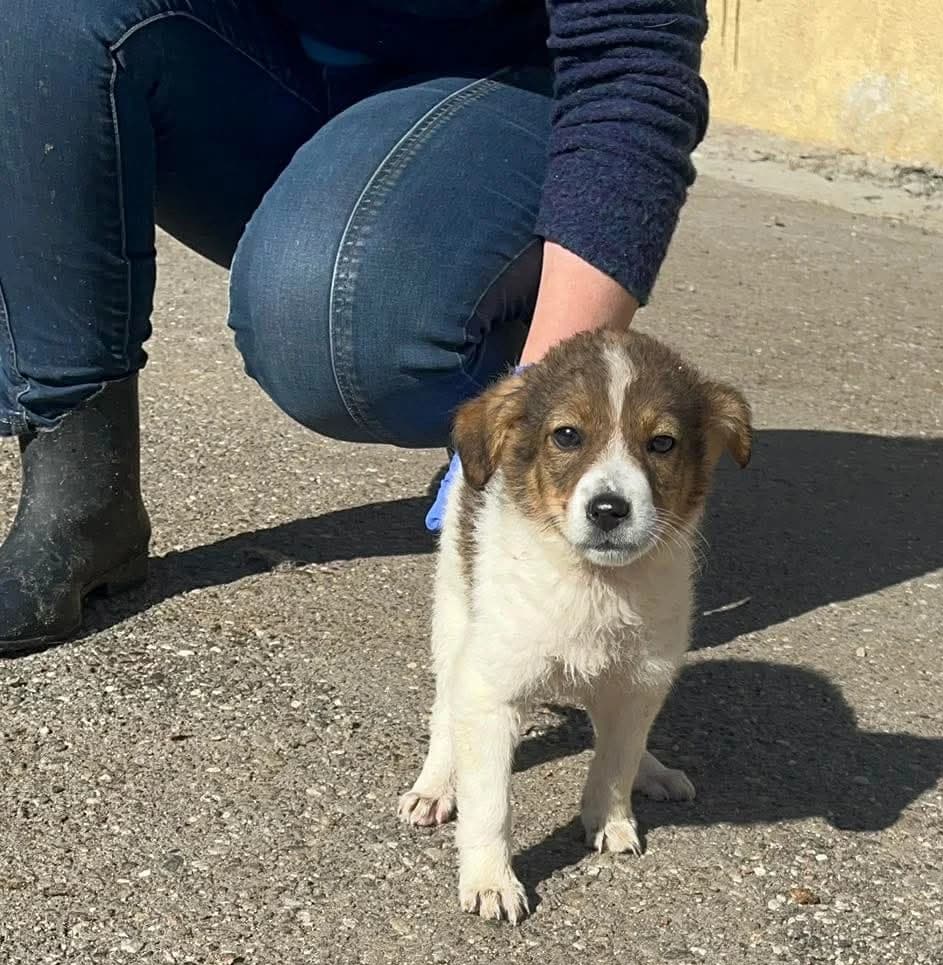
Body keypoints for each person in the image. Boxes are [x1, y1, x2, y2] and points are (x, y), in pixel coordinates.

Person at [0, 0, 708, 654]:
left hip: (519, 83)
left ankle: (508, 347)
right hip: (276, 65)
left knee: (333, 326)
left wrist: (545, 401)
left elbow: (631, 62)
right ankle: (81, 498)